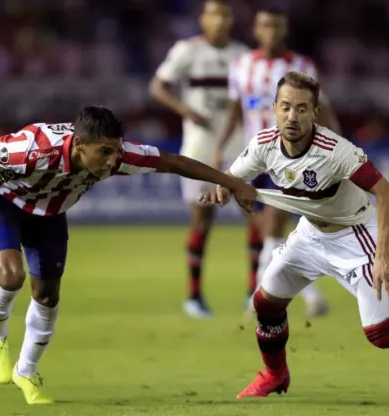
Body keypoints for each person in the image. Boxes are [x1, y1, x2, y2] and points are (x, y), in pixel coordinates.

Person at [0, 106, 257, 405]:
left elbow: (172, 161)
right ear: (79, 145)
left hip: (48, 211)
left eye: (116, 152)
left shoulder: (117, 156)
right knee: (11, 276)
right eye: (104, 152)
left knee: (47, 295)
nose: (112, 162)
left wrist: (233, 181)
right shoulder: (33, 148)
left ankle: (27, 371)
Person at [200, 72, 389, 398]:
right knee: (265, 304)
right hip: (310, 236)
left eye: (301, 109)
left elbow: (386, 193)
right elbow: (230, 179)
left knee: (382, 334)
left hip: (356, 235)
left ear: (314, 113)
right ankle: (275, 375)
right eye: (285, 107)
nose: (292, 116)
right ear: (274, 108)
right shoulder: (263, 144)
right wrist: (222, 190)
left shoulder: (336, 151)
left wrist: (383, 255)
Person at [215, 8, 342, 316]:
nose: (270, 31)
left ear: (284, 31)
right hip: (251, 155)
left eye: (276, 25)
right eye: (264, 25)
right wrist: (219, 148)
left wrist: (338, 143)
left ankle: (256, 300)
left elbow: (321, 108)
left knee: (271, 227)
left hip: (290, 155)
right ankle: (312, 296)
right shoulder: (241, 67)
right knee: (265, 232)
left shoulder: (301, 66)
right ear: (256, 30)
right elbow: (235, 111)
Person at [149, 0, 253, 318]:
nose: (219, 20)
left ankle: (255, 291)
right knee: (202, 220)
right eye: (213, 14)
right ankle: (194, 296)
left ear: (231, 19)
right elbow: (158, 86)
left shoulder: (243, 56)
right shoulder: (187, 51)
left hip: (241, 148)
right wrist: (186, 111)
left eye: (224, 14)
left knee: (256, 217)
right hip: (199, 150)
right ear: (202, 19)